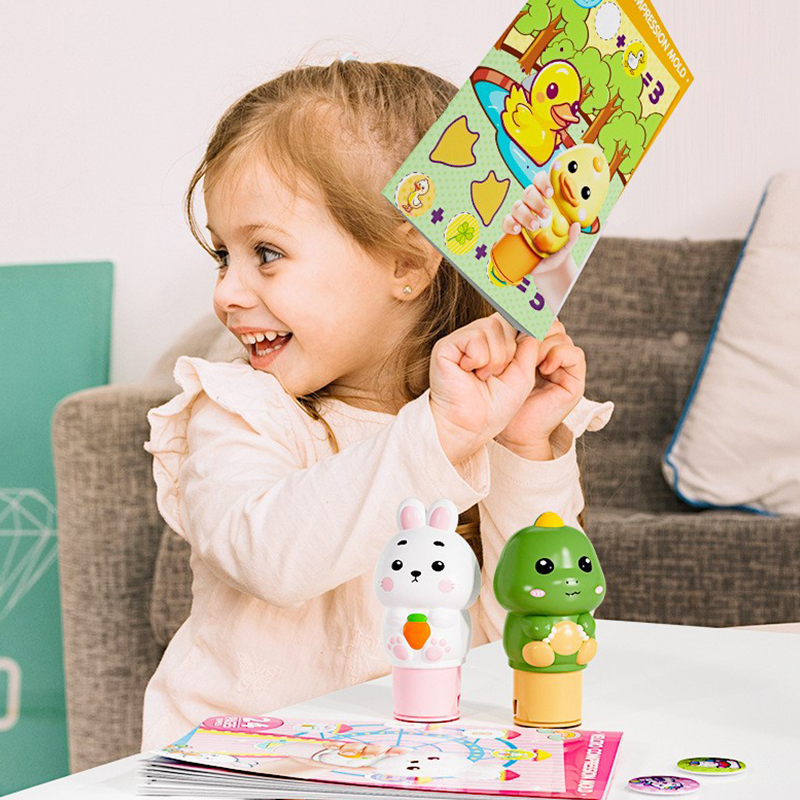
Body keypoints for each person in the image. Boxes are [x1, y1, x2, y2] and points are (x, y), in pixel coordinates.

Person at [140, 58, 614, 752]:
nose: (227, 293)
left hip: (420, 766)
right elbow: (272, 556)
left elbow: (524, 623)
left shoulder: (477, 420)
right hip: (236, 771)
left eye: (265, 253)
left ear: (407, 265)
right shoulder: (239, 411)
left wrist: (523, 446)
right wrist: (441, 434)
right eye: (223, 255)